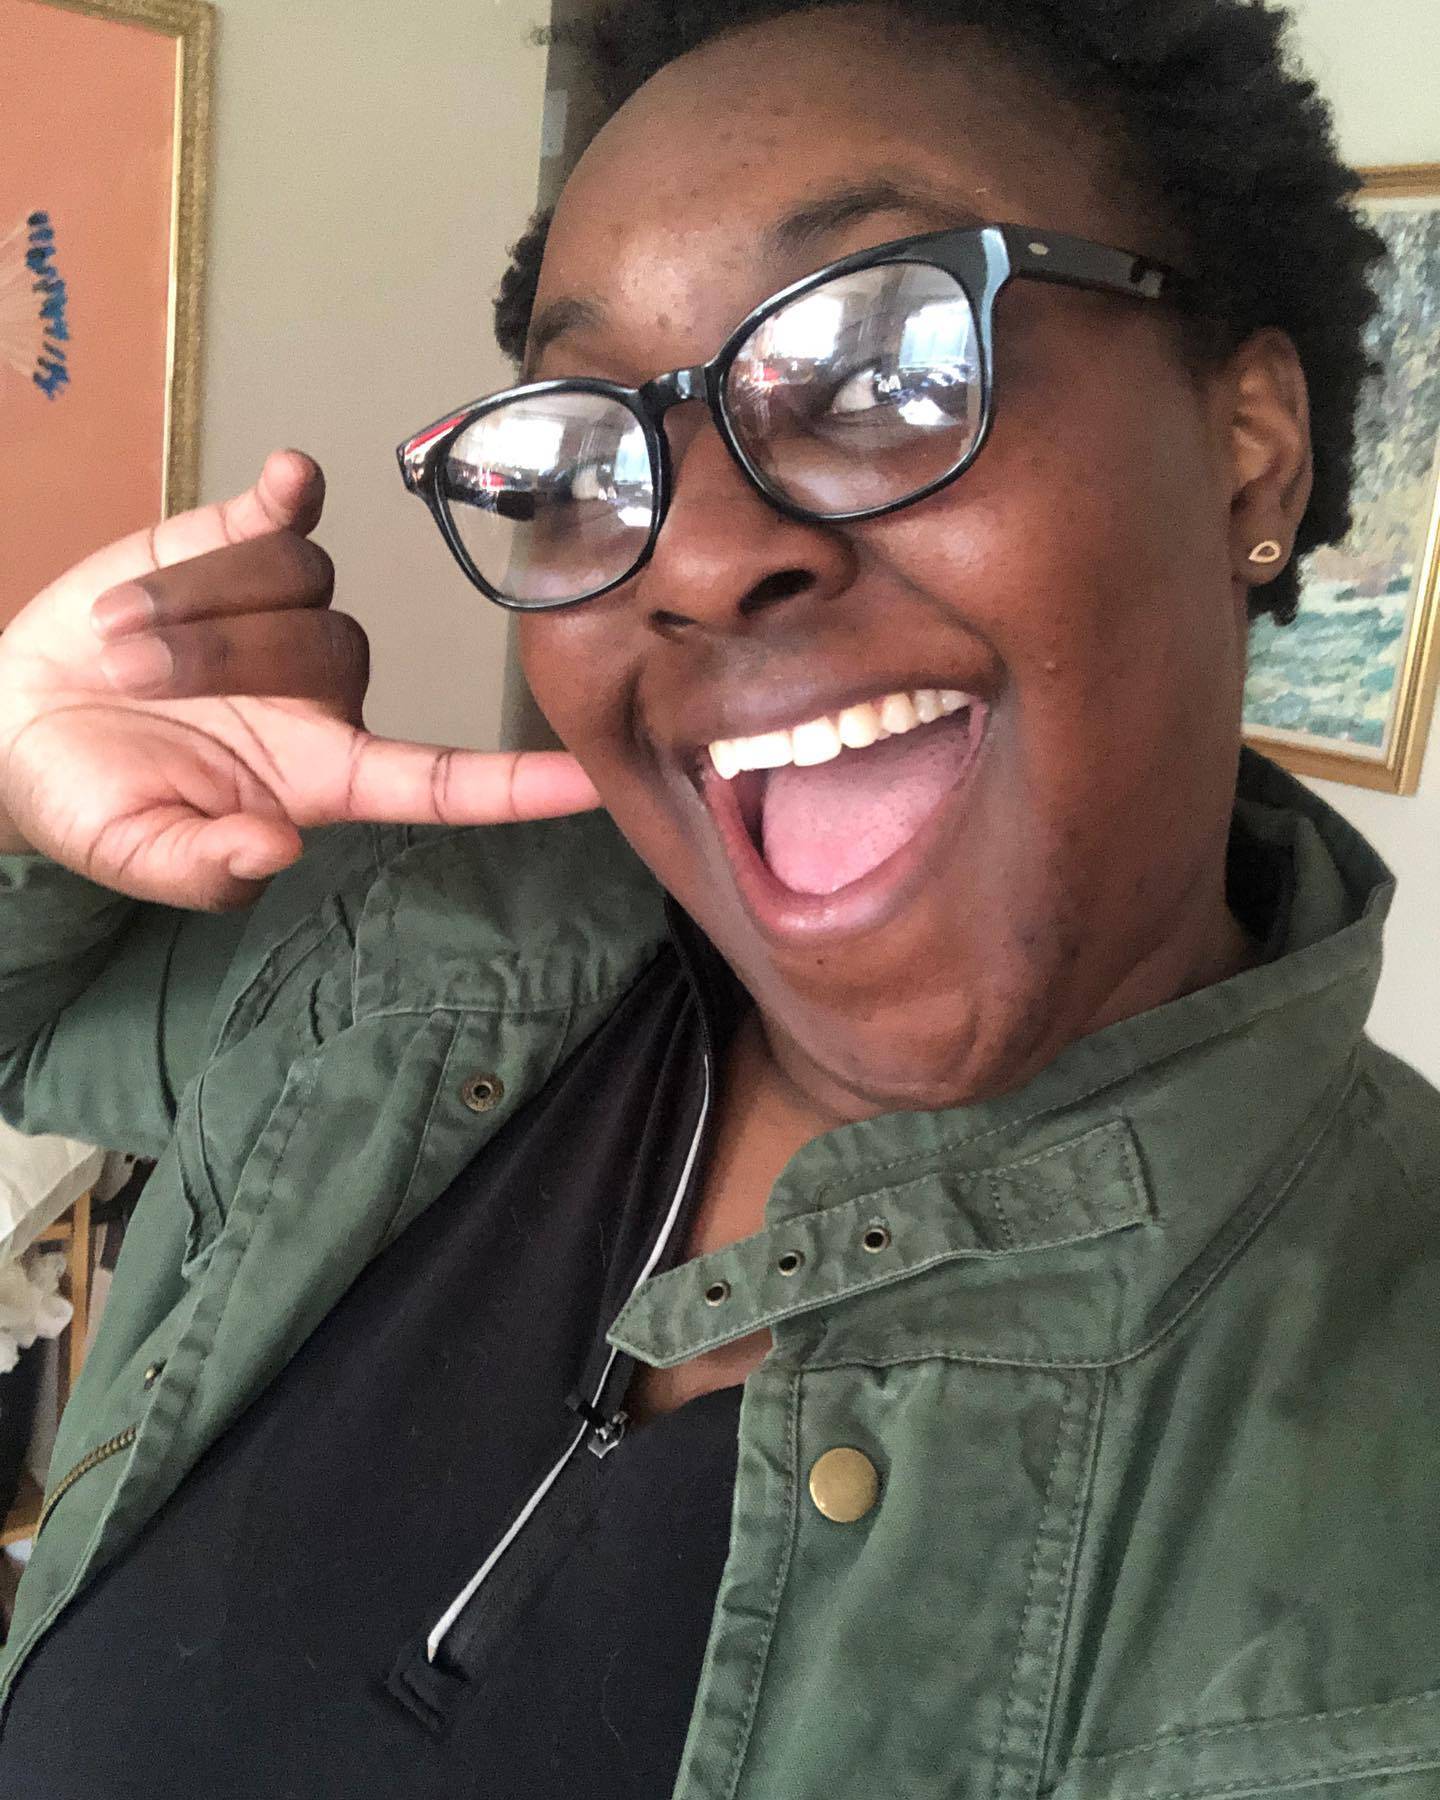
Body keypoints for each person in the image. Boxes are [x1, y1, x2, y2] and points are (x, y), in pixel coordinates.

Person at [0, 0, 1437, 1793]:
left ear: (1253, 445)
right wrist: (24, 801)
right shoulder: (424, 954)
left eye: (882, 369)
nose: (685, 555)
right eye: (580, 460)